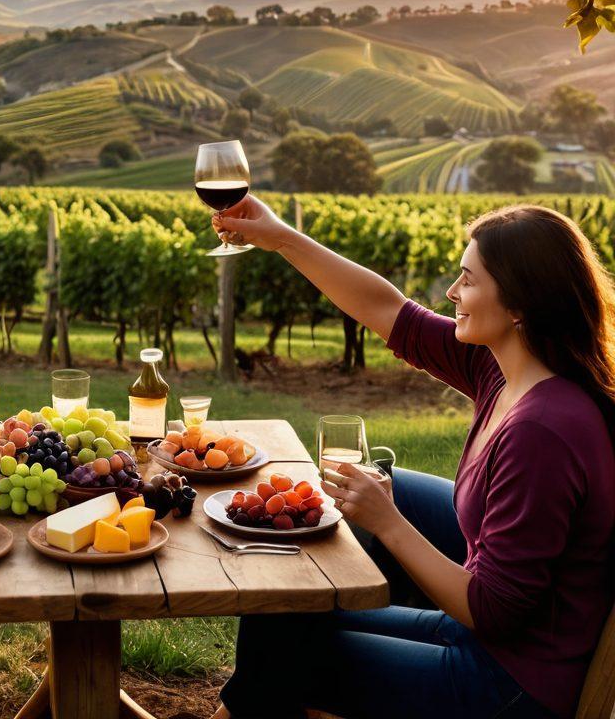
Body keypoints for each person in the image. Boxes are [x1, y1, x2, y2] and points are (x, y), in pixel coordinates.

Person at [208, 198, 615, 719]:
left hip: (508, 684)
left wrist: (389, 522)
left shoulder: (543, 431)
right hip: (486, 645)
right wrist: (281, 236)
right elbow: (388, 310)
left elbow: (493, 612)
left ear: (520, 304)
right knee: (287, 607)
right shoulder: (506, 367)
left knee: (284, 657)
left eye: (467, 280)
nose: (451, 292)